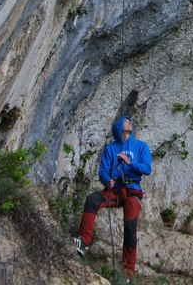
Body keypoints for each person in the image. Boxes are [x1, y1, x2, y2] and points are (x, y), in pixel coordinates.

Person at [75, 116, 152, 280]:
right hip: (116, 189)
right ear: (118, 127)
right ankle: (83, 242)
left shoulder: (141, 146)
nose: (130, 121)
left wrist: (130, 162)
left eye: (131, 120)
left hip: (132, 190)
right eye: (126, 120)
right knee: (92, 199)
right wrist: (106, 181)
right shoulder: (111, 148)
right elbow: (103, 170)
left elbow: (147, 168)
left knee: (130, 231)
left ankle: (127, 275)